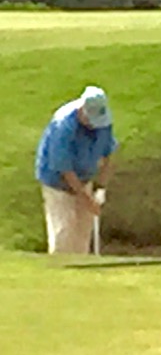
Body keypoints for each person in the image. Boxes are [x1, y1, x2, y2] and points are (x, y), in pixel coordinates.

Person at [34, 85, 118, 254]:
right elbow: (65, 170)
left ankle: (81, 273)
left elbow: (108, 154)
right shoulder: (63, 127)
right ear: (82, 111)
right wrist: (86, 199)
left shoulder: (103, 122)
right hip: (57, 182)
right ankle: (60, 273)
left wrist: (100, 187)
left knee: (82, 231)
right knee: (64, 232)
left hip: (85, 177)